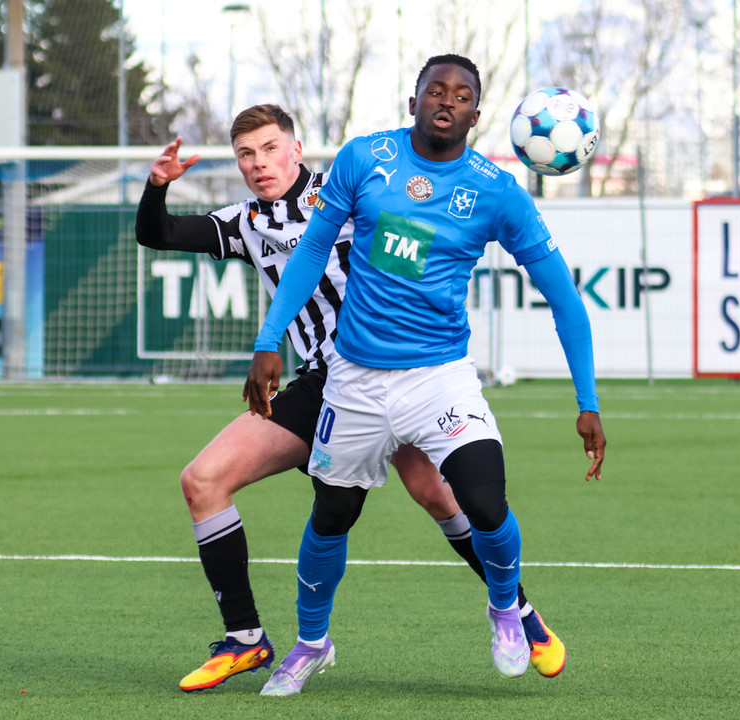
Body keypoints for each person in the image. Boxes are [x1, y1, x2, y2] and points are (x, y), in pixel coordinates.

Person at [134, 104, 561, 693]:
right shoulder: (243, 224)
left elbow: (417, 245)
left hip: (396, 369)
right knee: (203, 481)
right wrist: (157, 186)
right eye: (246, 155)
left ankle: (517, 609)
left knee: (440, 496)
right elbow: (156, 233)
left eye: (270, 149)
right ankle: (245, 638)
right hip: (321, 382)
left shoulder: (355, 192)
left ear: (296, 149)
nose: (259, 164)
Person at [246, 56, 606, 697]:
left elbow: (564, 299)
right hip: (354, 379)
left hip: (439, 377)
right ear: (413, 100)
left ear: (476, 113)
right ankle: (310, 644)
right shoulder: (364, 159)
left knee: (485, 501)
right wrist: (268, 341)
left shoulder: (497, 192)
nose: (447, 101)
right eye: (435, 90)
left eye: (461, 95)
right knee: (333, 514)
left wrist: (588, 400)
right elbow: (312, 250)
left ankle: (505, 608)